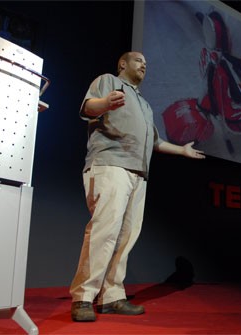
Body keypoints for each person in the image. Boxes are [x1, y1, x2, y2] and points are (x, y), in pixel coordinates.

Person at [70, 51, 205, 322]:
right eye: (138, 60)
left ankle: (112, 297)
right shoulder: (108, 81)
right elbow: (88, 108)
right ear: (123, 64)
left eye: (146, 63)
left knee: (126, 236)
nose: (144, 64)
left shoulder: (143, 103)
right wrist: (105, 104)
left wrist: (182, 151)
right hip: (111, 164)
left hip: (138, 173)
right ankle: (83, 297)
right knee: (104, 232)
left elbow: (155, 141)